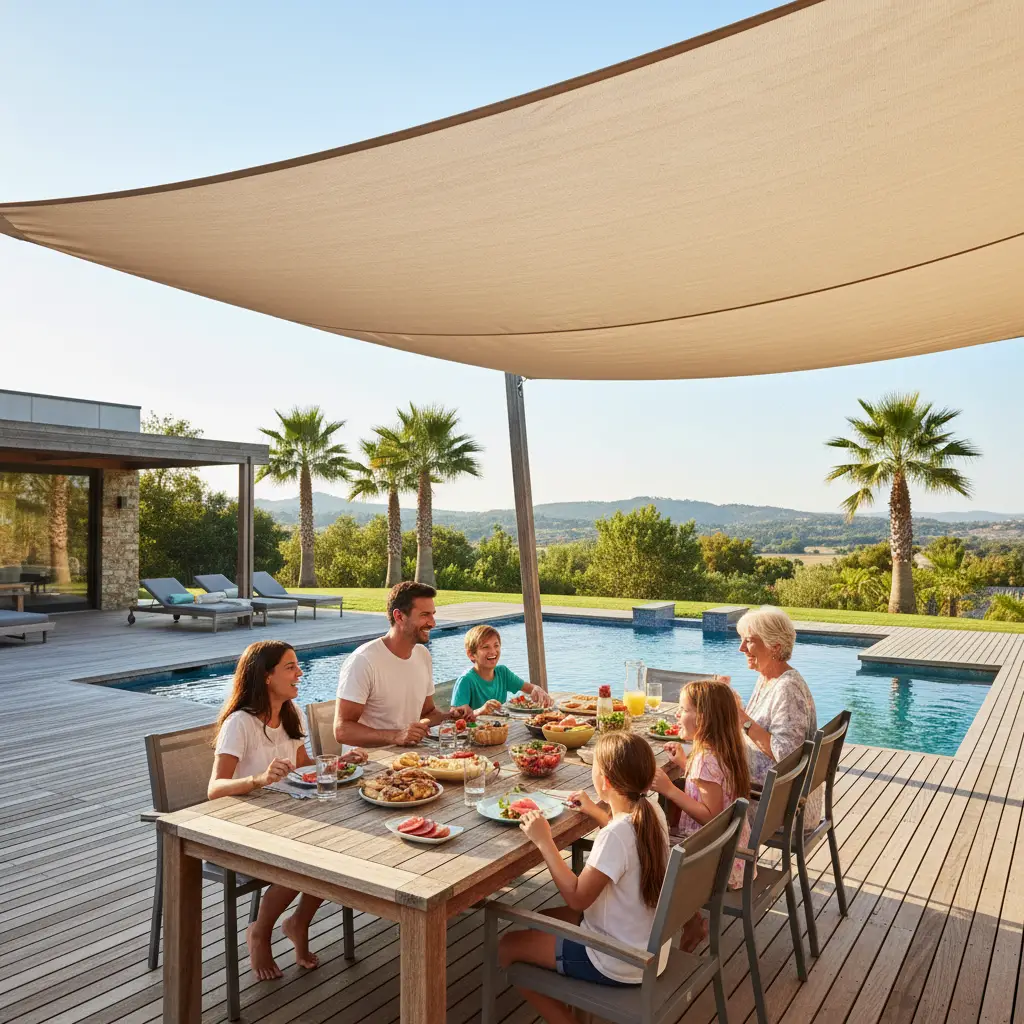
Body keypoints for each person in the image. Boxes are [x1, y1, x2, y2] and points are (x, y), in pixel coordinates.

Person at [207, 640, 367, 981]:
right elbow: (214, 788)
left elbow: (305, 766)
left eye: (298, 665)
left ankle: (298, 922)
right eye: (290, 667)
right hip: (246, 824)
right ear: (266, 676)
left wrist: (341, 761)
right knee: (312, 855)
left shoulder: (288, 715)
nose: (299, 672)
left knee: (338, 848)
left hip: (288, 815)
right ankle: (260, 932)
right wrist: (259, 779)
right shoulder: (240, 723)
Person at [498, 732, 670, 1022]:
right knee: (547, 917)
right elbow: (626, 844)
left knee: (507, 947)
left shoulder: (617, 834)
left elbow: (577, 898)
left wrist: (544, 841)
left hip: (617, 960)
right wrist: (594, 811)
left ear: (605, 782)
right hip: (650, 950)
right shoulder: (651, 812)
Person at [651, 678, 752, 950]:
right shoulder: (721, 751)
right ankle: (691, 920)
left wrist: (670, 789)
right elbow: (712, 787)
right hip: (730, 850)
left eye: (683, 709)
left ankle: (674, 924)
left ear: (703, 718)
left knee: (646, 854)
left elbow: (710, 817)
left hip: (714, 860)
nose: (677, 714)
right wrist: (685, 763)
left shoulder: (706, 759)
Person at [334, 582, 475, 748]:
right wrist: (395, 736)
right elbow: (342, 730)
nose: (432, 623)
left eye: (432, 614)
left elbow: (427, 713)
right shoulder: (363, 661)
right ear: (399, 616)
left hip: (412, 756)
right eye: (424, 615)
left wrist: (451, 717)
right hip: (370, 763)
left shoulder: (422, 655)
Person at [735, 606, 822, 826]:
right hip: (770, 795)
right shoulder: (768, 678)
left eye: (749, 641)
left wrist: (741, 719)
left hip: (779, 806)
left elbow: (787, 755)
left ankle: (703, 858)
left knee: (700, 793)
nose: (741, 648)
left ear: (775, 647)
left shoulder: (787, 688)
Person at [450, 624, 554, 715]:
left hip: (500, 730)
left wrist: (537, 690)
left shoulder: (502, 673)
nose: (493, 651)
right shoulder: (466, 681)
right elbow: (455, 717)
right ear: (471, 654)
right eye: (485, 647)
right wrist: (480, 711)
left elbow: (530, 688)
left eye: (496, 645)